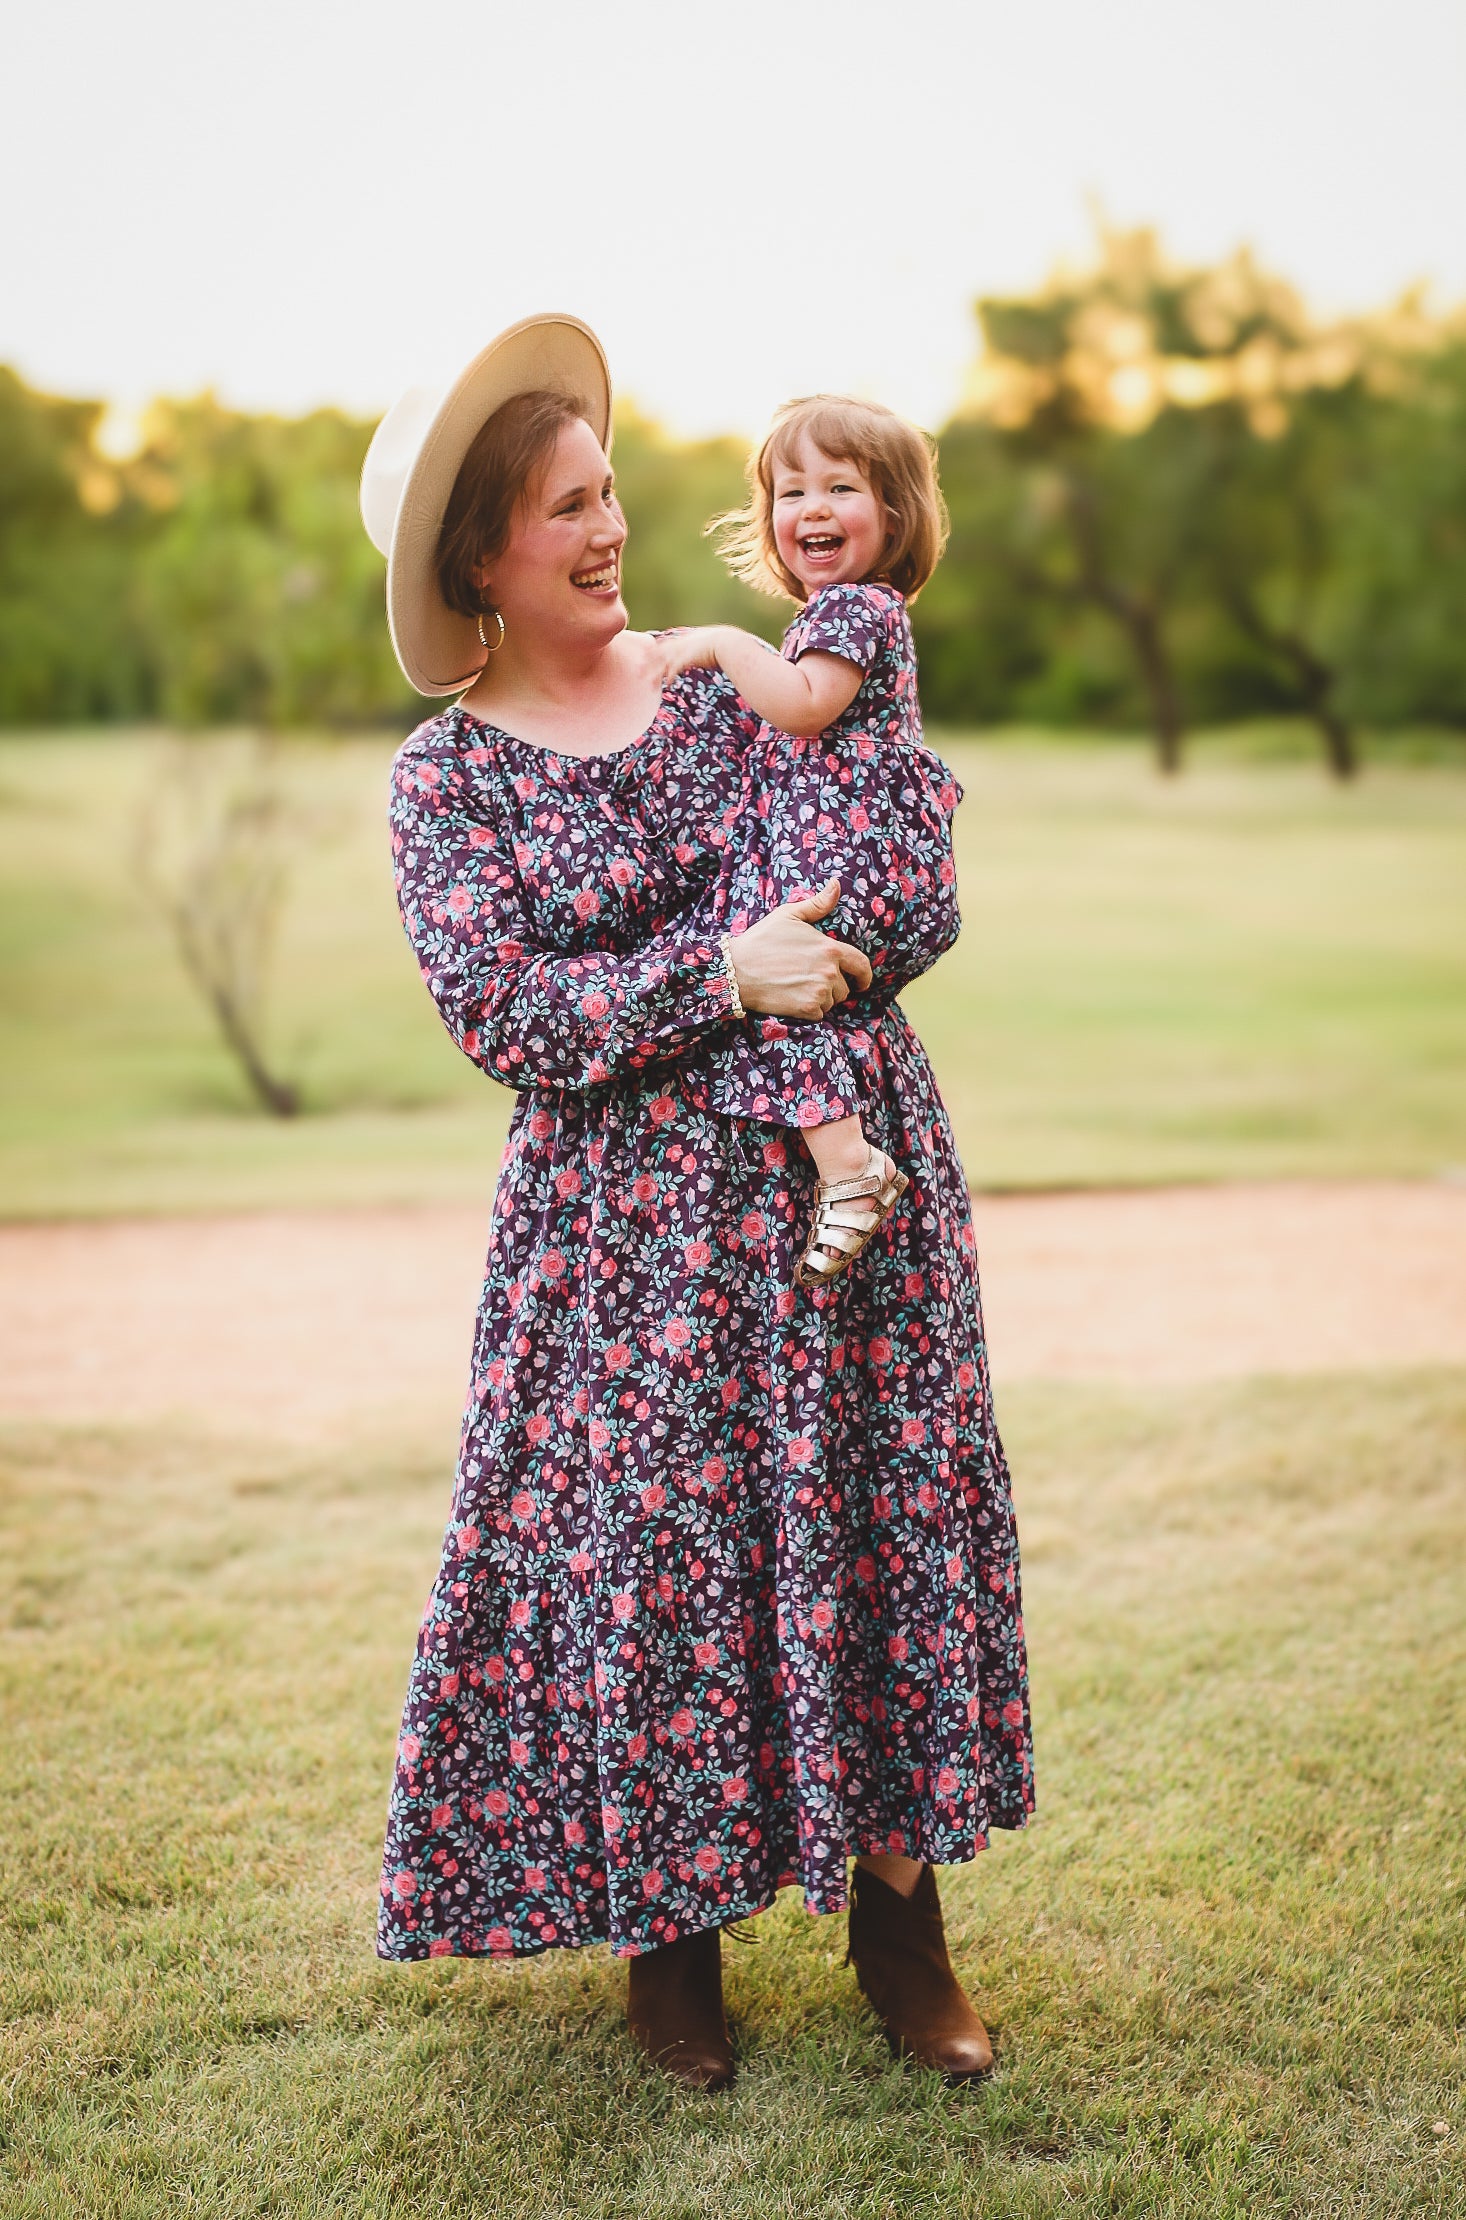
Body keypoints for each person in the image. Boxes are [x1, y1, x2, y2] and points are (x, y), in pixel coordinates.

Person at [359, 316, 1033, 2094]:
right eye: (565, 512)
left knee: (882, 1534)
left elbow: (904, 858)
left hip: (846, 1192)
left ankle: (904, 1930)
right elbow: (505, 1016)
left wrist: (857, 949)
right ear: (479, 558)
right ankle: (674, 1951)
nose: (606, 533)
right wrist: (719, 974)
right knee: (654, 1570)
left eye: (607, 495)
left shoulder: (730, 678)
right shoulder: (447, 779)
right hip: (617, 1253)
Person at [656, 395, 958, 1291]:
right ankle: (848, 1165)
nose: (812, 509)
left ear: (894, 515)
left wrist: (716, 644)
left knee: (774, 991)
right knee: (778, 994)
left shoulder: (858, 608)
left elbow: (803, 703)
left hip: (854, 852)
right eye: (792, 492)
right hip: (853, 844)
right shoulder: (841, 612)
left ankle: (851, 1171)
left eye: (840, 487)